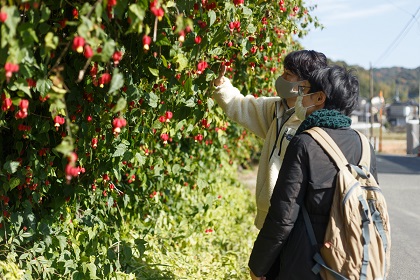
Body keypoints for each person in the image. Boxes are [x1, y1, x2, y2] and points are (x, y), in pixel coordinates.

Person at [248, 65, 379, 279]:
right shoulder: (365, 146)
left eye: (304, 91)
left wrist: (258, 265)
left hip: (305, 263)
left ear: (319, 98)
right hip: (350, 262)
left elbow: (283, 215)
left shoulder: (305, 142)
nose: (301, 97)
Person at [212, 50, 328, 230]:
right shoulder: (275, 109)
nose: (280, 78)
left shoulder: (314, 123)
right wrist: (220, 82)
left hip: (296, 221)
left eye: (288, 75)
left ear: (304, 84)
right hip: (270, 217)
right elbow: (239, 105)